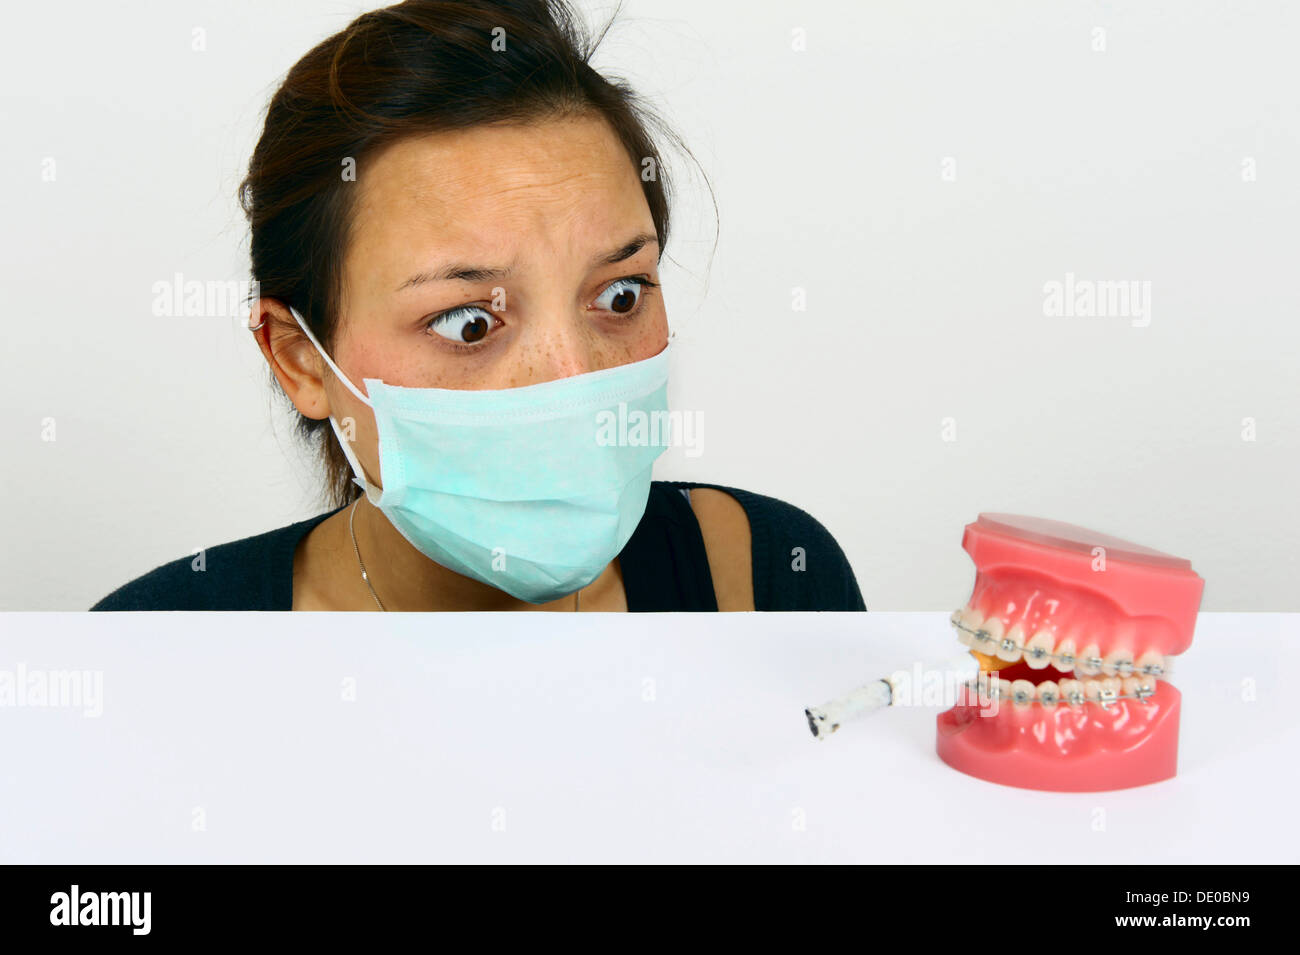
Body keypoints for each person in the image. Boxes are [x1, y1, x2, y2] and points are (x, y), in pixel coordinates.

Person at [90, 0, 866, 613]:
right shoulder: (154, 652)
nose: (571, 378)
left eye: (619, 295)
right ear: (299, 359)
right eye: (469, 323)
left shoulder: (774, 581)